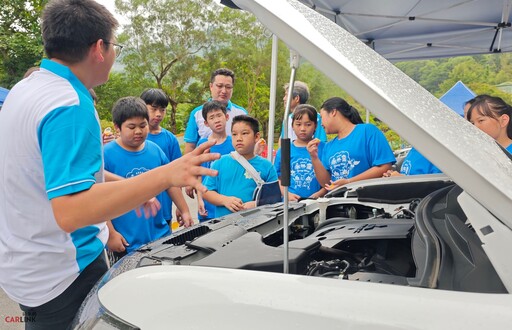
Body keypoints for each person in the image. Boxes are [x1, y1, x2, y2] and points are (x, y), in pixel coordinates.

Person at [0, 1, 219, 329]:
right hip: (65, 274)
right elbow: (71, 213)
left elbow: (53, 169)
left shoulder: (26, 90)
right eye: (115, 45)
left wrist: (128, 187)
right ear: (99, 48)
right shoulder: (71, 104)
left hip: (26, 266)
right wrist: (165, 175)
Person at [104, 97, 193, 259]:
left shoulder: (155, 150)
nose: (138, 131)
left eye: (142, 125)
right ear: (117, 127)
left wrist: (185, 210)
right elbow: (99, 199)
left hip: (160, 236)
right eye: (131, 127)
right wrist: (111, 234)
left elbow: (170, 183)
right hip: (126, 241)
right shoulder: (106, 155)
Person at [308, 97, 395, 190]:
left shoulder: (368, 131)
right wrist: (314, 158)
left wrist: (349, 182)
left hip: (367, 199)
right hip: (339, 202)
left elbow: (384, 166)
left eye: (321, 117)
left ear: (333, 112)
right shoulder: (328, 146)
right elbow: (326, 183)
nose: (320, 123)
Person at [203, 115, 278, 217]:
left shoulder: (267, 167)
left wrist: (256, 204)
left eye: (244, 133)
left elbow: (275, 198)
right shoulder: (219, 163)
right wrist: (225, 200)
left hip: (257, 225)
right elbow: (206, 192)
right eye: (234, 134)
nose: (239, 138)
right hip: (224, 226)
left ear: (256, 137)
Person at [140, 88, 190, 226]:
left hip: (163, 208)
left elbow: (177, 174)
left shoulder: (170, 139)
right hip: (137, 208)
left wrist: (180, 206)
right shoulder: (134, 137)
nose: (158, 114)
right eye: (153, 108)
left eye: (162, 110)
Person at [183, 68, 247, 154]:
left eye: (228, 87)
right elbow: (190, 146)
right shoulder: (197, 114)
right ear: (211, 86)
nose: (224, 91)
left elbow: (248, 143)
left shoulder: (241, 114)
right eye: (219, 86)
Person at [274, 104, 326, 200]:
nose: (302, 128)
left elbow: (330, 178)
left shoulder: (324, 148)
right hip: (290, 204)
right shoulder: (285, 150)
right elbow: (277, 178)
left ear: (315, 126)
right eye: (298, 124)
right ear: (292, 126)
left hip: (317, 202)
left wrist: (319, 194)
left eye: (308, 124)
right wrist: (287, 194)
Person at [196, 100, 235, 221]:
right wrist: (200, 200)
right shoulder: (203, 144)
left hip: (229, 204)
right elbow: (199, 174)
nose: (217, 120)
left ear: (227, 117)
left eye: (219, 115)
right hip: (208, 206)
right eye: (212, 117)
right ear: (206, 123)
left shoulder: (234, 142)